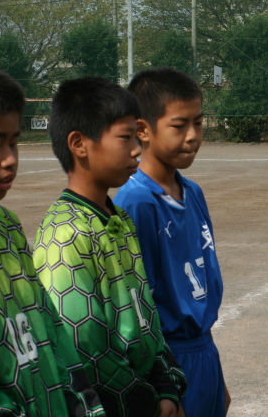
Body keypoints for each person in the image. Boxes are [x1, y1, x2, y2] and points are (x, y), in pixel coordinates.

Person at [32, 77, 187, 417]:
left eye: (136, 137)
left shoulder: (119, 219)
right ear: (79, 144)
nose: (136, 149)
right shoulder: (66, 235)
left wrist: (167, 387)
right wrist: (148, 402)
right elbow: (83, 347)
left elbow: (145, 316)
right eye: (125, 137)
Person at [0, 63, 104, 416]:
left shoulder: (5, 225)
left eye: (14, 143)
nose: (10, 160)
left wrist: (85, 406)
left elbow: (51, 329)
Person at [114, 68, 229, 417]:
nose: (193, 136)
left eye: (199, 122)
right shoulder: (136, 202)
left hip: (204, 351)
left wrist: (216, 374)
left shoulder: (192, 192)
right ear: (142, 130)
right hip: (168, 360)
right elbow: (135, 306)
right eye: (179, 126)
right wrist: (162, 385)